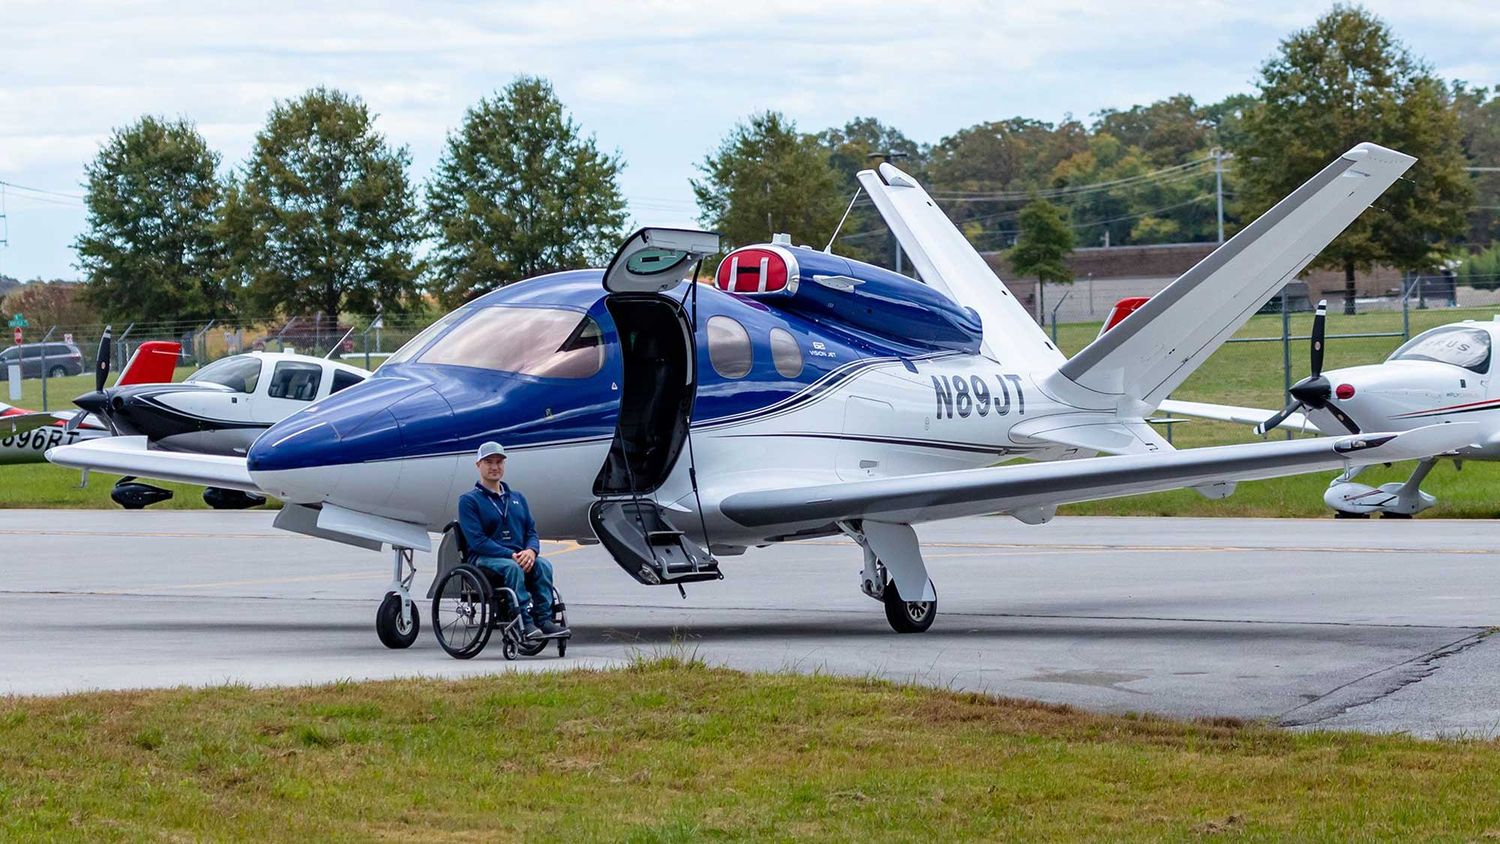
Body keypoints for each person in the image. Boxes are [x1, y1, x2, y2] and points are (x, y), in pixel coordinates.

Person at [457, 442, 569, 639]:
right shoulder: (469, 501)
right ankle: (522, 621)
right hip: (485, 558)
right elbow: (477, 541)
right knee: (512, 568)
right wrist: (511, 554)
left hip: (518, 556)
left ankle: (543, 619)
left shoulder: (518, 498)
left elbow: (531, 533)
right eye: (488, 462)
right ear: (478, 465)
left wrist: (531, 552)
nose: (494, 467)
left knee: (544, 566)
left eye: (499, 462)